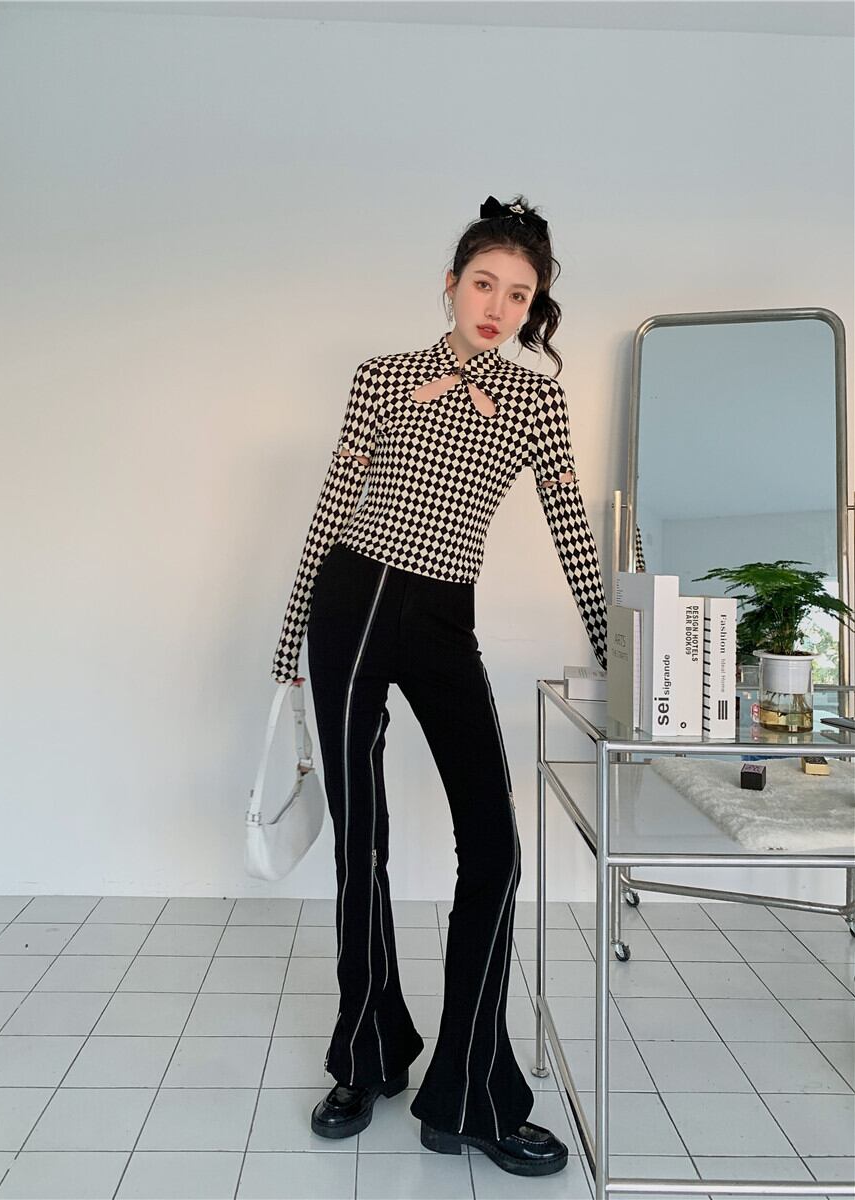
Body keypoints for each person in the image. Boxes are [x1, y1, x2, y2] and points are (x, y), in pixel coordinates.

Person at [270, 194, 608, 1178]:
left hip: (441, 616)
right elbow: (333, 501)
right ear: (451, 284)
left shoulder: (536, 402)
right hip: (350, 604)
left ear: (533, 306)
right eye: (483, 285)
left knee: (493, 846)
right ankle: (366, 1057)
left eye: (518, 294)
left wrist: (615, 653)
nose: (497, 307)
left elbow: (571, 529)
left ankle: (467, 1093)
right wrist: (290, 633)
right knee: (360, 842)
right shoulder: (380, 376)